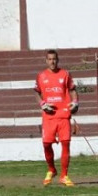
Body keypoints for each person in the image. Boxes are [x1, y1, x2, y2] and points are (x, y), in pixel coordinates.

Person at [34, 49, 79, 187]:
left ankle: (64, 176)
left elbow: (72, 90)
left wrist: (75, 103)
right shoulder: (41, 76)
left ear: (57, 60)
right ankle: (51, 169)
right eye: (49, 59)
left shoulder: (65, 74)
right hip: (49, 116)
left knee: (66, 143)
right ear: (46, 61)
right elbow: (37, 93)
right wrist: (42, 104)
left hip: (63, 115)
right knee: (46, 144)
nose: (52, 61)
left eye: (54, 59)